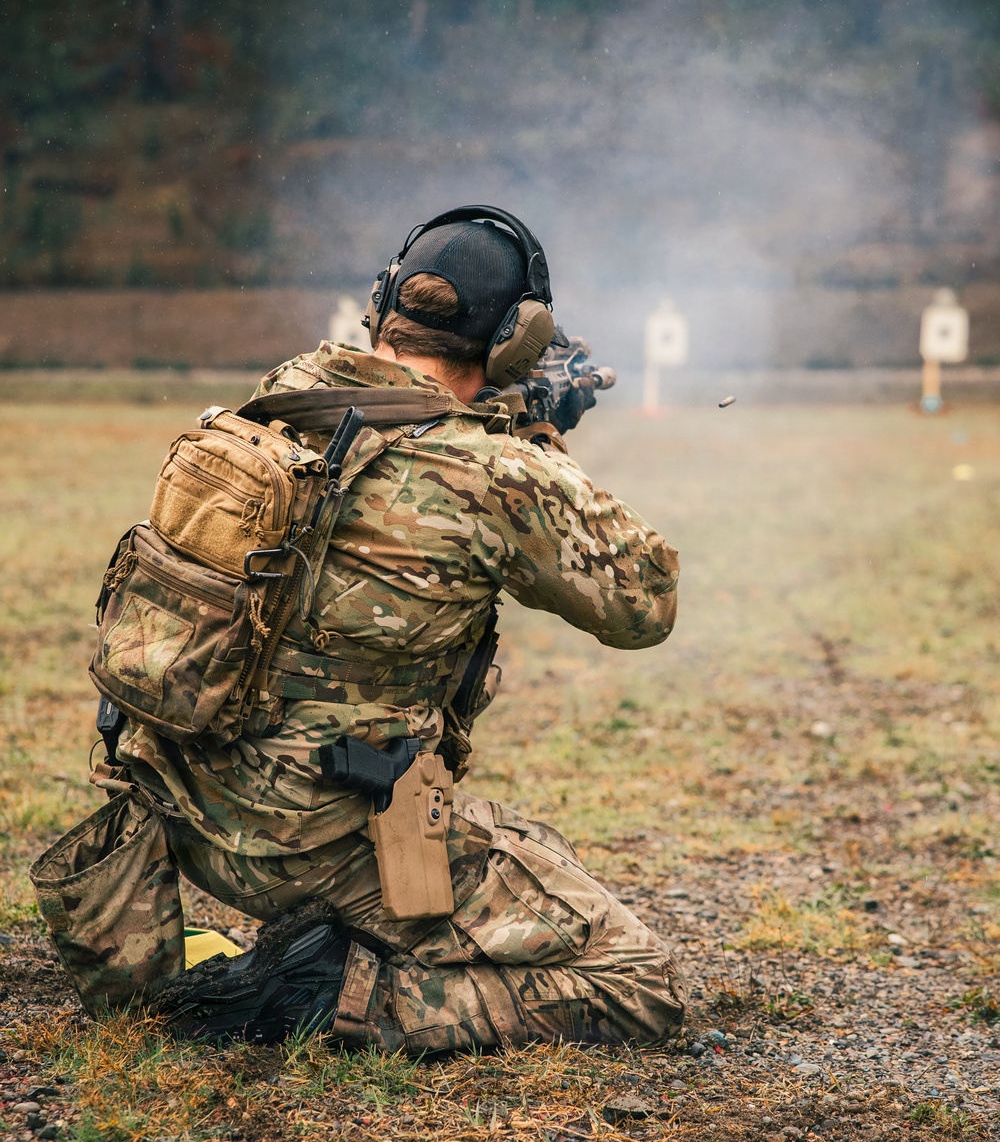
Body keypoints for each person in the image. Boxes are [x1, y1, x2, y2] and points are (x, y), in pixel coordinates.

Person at [32, 208, 685, 1053]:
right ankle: (332, 995)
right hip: (333, 845)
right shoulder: (500, 474)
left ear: (383, 303)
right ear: (515, 341)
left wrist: (504, 418)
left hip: (187, 813)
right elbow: (645, 602)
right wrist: (540, 443)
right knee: (641, 980)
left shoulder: (284, 395)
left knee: (525, 845)